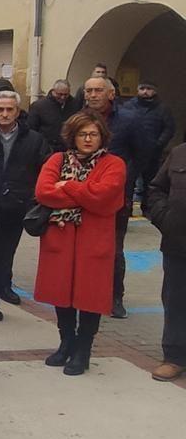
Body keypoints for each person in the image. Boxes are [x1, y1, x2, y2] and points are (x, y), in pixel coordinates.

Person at [34, 111, 126, 376]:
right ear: (72, 136)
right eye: (82, 134)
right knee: (61, 293)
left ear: (102, 137)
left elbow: (105, 197)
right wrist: (85, 192)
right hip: (60, 237)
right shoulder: (56, 159)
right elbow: (43, 192)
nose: (88, 139)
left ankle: (83, 349)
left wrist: (69, 186)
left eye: (93, 134)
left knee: (90, 296)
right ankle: (66, 343)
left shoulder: (113, 163)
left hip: (94, 240)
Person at [0, 91, 49, 321]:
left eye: (9, 109)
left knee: (3, 260)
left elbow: (44, 170)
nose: (4, 114)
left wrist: (31, 197)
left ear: (17, 112)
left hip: (15, 208)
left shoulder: (34, 139)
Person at [81, 76, 144, 318]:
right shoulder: (79, 119)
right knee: (85, 247)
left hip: (116, 197)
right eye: (89, 91)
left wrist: (125, 183)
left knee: (114, 248)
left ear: (110, 94)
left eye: (98, 90)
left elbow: (142, 154)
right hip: (83, 195)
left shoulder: (129, 120)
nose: (93, 95)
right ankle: (86, 292)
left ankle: (115, 296)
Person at [145, 140, 186, 382]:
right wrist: (165, 218)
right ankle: (174, 357)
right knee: (175, 300)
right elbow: (156, 189)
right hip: (178, 244)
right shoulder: (179, 153)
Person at [125, 81, 175, 195]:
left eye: (149, 89)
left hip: (153, 153)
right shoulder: (129, 106)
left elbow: (169, 128)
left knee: (150, 184)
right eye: (142, 88)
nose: (145, 92)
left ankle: (148, 209)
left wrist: (158, 144)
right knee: (128, 183)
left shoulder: (163, 108)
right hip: (132, 153)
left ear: (155, 91)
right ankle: (126, 210)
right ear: (138, 90)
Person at [28, 80, 79, 152]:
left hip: (68, 149)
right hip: (46, 149)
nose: (63, 97)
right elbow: (31, 129)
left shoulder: (75, 105)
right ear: (53, 91)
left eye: (66, 95)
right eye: (60, 94)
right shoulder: (39, 106)